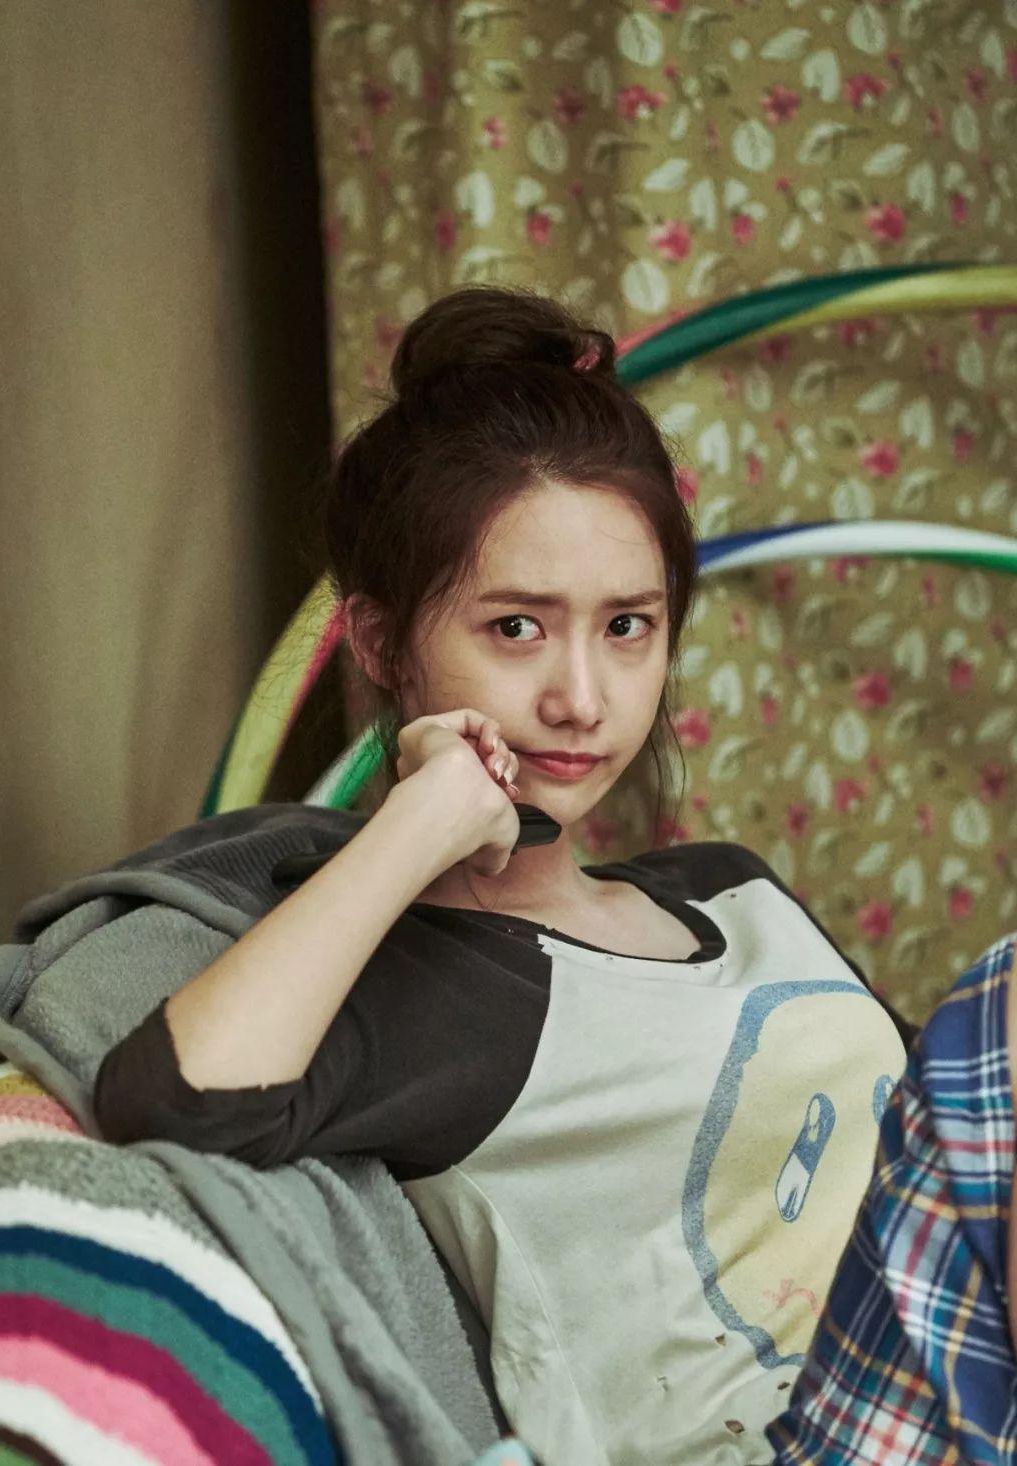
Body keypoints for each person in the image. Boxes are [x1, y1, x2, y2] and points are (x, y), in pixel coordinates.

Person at [93, 285, 952, 1464]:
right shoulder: (438, 995)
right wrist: (420, 818)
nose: (582, 699)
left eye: (627, 625)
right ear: (382, 642)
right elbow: (169, 1095)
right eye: (515, 628)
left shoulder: (729, 886)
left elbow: (951, 1133)